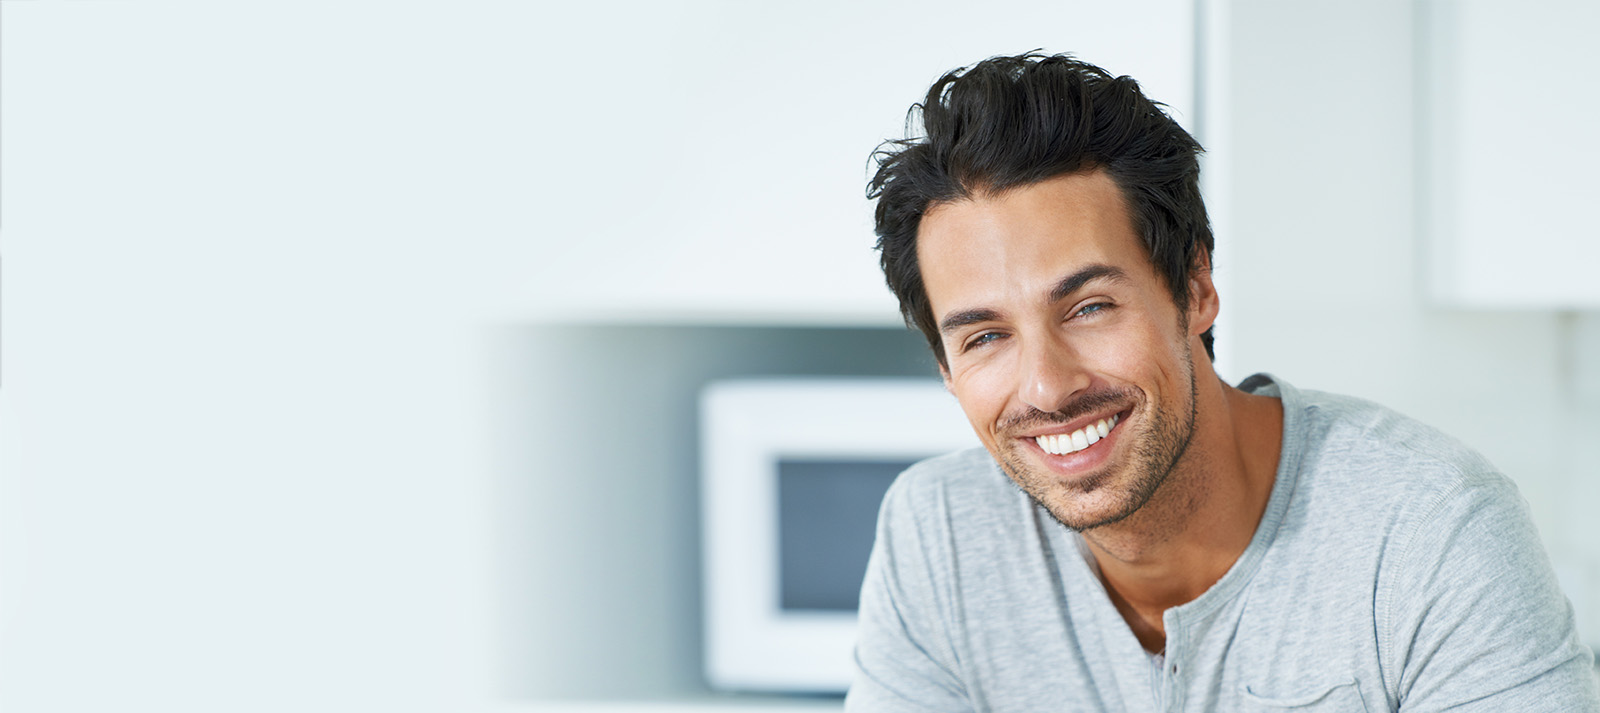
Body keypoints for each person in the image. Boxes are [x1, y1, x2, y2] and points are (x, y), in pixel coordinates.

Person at [847, 52, 1599, 711]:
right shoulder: (938, 535)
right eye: (985, 337)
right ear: (947, 370)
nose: (1046, 386)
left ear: (1195, 286)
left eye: (1090, 307)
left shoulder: (1431, 534)